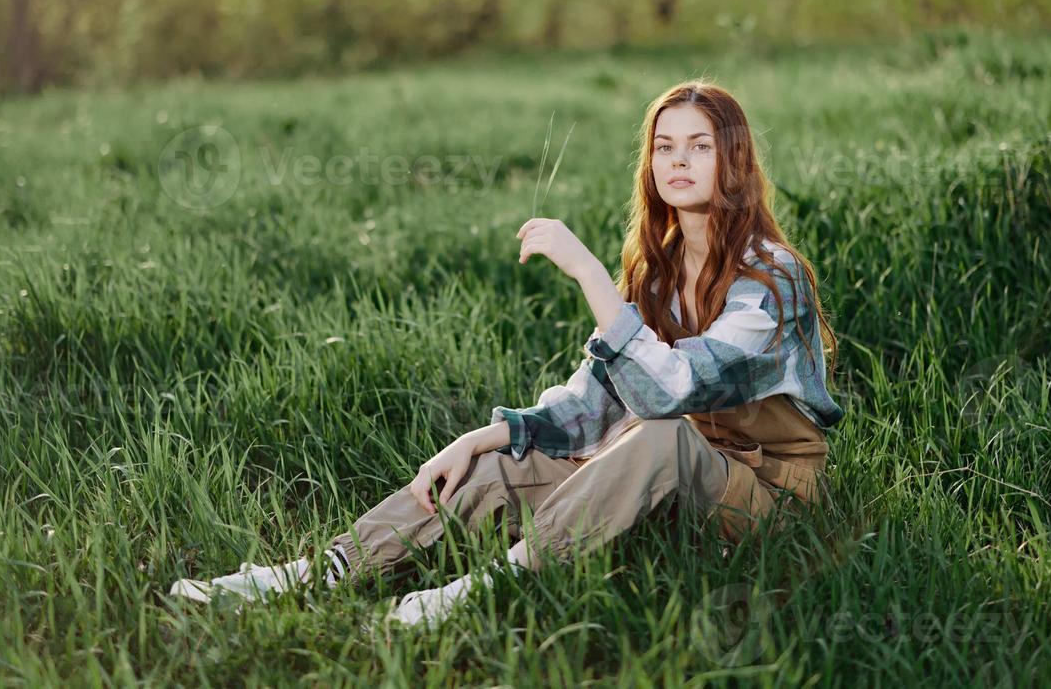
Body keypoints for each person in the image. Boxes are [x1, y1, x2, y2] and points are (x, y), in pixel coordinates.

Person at [170, 79, 845, 626]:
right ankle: (319, 573)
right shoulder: (659, 272)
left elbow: (674, 391)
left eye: (699, 146)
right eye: (664, 146)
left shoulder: (770, 277)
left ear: (734, 162)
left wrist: (585, 271)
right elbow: (595, 398)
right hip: (672, 474)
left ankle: (482, 588)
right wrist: (486, 435)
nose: (677, 160)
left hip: (765, 500)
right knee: (497, 468)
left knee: (659, 436)